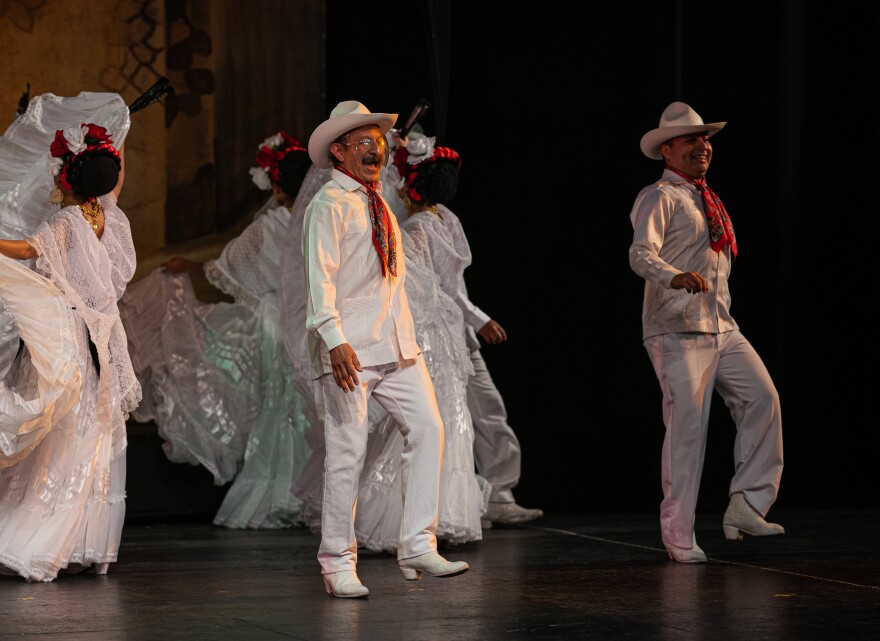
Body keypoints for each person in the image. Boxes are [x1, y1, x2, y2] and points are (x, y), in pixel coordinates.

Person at [302, 100, 469, 598]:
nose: (375, 150)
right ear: (338, 151)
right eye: (363, 142)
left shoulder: (379, 204)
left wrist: (407, 341)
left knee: (429, 428)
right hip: (349, 349)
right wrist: (333, 340)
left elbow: (390, 283)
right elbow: (319, 280)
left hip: (395, 347)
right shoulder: (329, 205)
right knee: (346, 453)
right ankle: (337, 562)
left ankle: (418, 544)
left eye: (377, 142)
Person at [119, 131, 314, 529]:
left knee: (278, 407)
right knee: (303, 407)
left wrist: (186, 268)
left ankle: (281, 491)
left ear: (276, 188)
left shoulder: (271, 225)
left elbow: (224, 269)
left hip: (276, 321)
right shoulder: (320, 218)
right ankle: (309, 491)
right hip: (310, 322)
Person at [628, 101, 784, 564]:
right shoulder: (659, 195)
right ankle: (678, 535)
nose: (702, 145)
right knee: (687, 432)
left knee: (763, 398)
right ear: (667, 151)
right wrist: (672, 275)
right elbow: (639, 253)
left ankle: (747, 503)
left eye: (706, 138)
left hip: (721, 325)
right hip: (677, 328)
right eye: (691, 140)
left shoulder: (705, 196)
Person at [0, 93, 140, 581]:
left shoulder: (65, 221)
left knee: (65, 434)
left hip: (74, 339)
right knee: (94, 435)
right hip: (104, 335)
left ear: (66, 178)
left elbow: (25, 248)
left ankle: (45, 541)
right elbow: (114, 276)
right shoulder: (111, 220)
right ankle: (86, 543)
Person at [391, 131, 543, 528]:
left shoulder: (447, 220)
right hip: (438, 336)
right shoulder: (414, 231)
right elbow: (440, 291)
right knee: (449, 419)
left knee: (488, 411)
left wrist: (472, 322)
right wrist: (479, 318)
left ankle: (499, 494)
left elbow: (455, 285)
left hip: (460, 336)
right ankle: (444, 504)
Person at [354, 141, 489, 553]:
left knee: (415, 424)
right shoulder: (447, 222)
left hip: (426, 331)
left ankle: (403, 519)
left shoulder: (414, 229)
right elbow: (451, 287)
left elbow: (410, 285)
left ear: (410, 187)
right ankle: (440, 514)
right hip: (446, 333)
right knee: (444, 417)